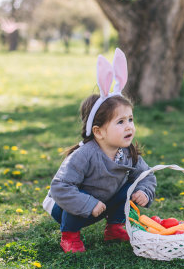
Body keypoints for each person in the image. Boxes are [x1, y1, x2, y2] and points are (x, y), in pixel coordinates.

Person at [42, 49, 156, 253]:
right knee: (78, 191)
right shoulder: (85, 155)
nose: (129, 126)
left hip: (104, 202)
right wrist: (88, 203)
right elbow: (61, 187)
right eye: (120, 122)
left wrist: (144, 191)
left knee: (131, 185)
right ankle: (69, 235)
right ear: (99, 132)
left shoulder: (127, 152)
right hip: (68, 207)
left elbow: (146, 175)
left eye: (130, 119)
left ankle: (114, 227)